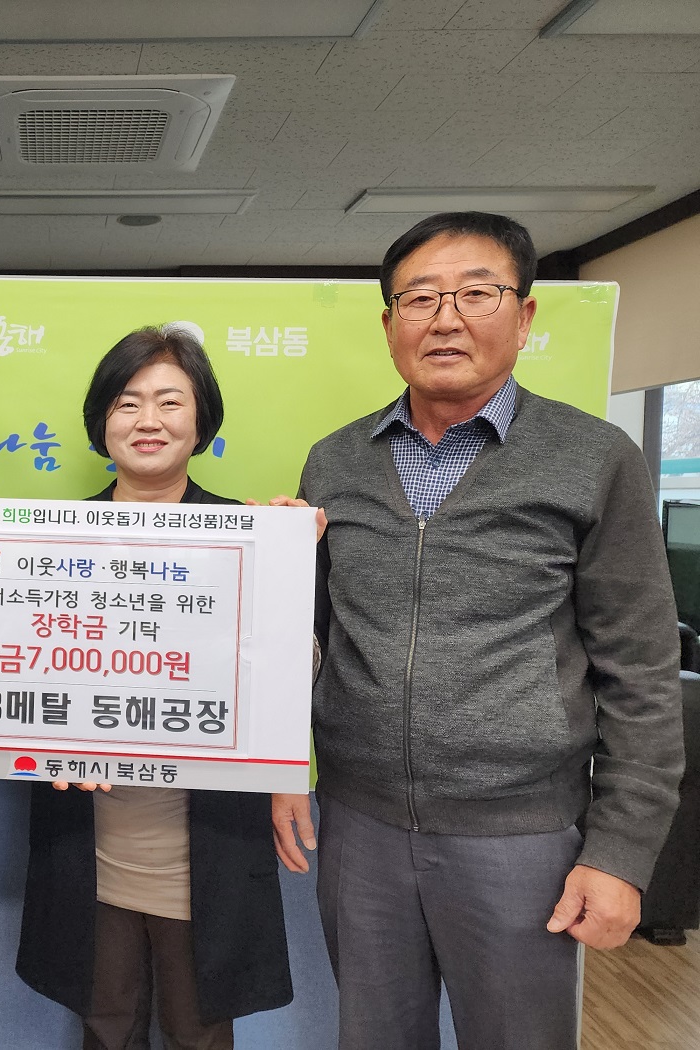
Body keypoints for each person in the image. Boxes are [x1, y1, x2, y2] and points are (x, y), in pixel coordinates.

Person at [276, 211, 683, 1049]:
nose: (446, 319)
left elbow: (642, 672)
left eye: (476, 294)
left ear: (524, 316)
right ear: (389, 323)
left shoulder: (593, 457)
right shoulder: (334, 460)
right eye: (420, 298)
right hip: (359, 825)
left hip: (522, 836)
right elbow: (306, 639)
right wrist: (280, 760)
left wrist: (619, 853)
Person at [16, 325, 299, 1050]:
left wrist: (295, 567)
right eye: (127, 402)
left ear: (201, 422)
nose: (148, 420)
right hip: (92, 839)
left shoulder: (252, 535)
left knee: (200, 1032)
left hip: (206, 841)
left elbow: (299, 671)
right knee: (106, 1025)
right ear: (101, 423)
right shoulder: (50, 542)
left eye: (170, 402)